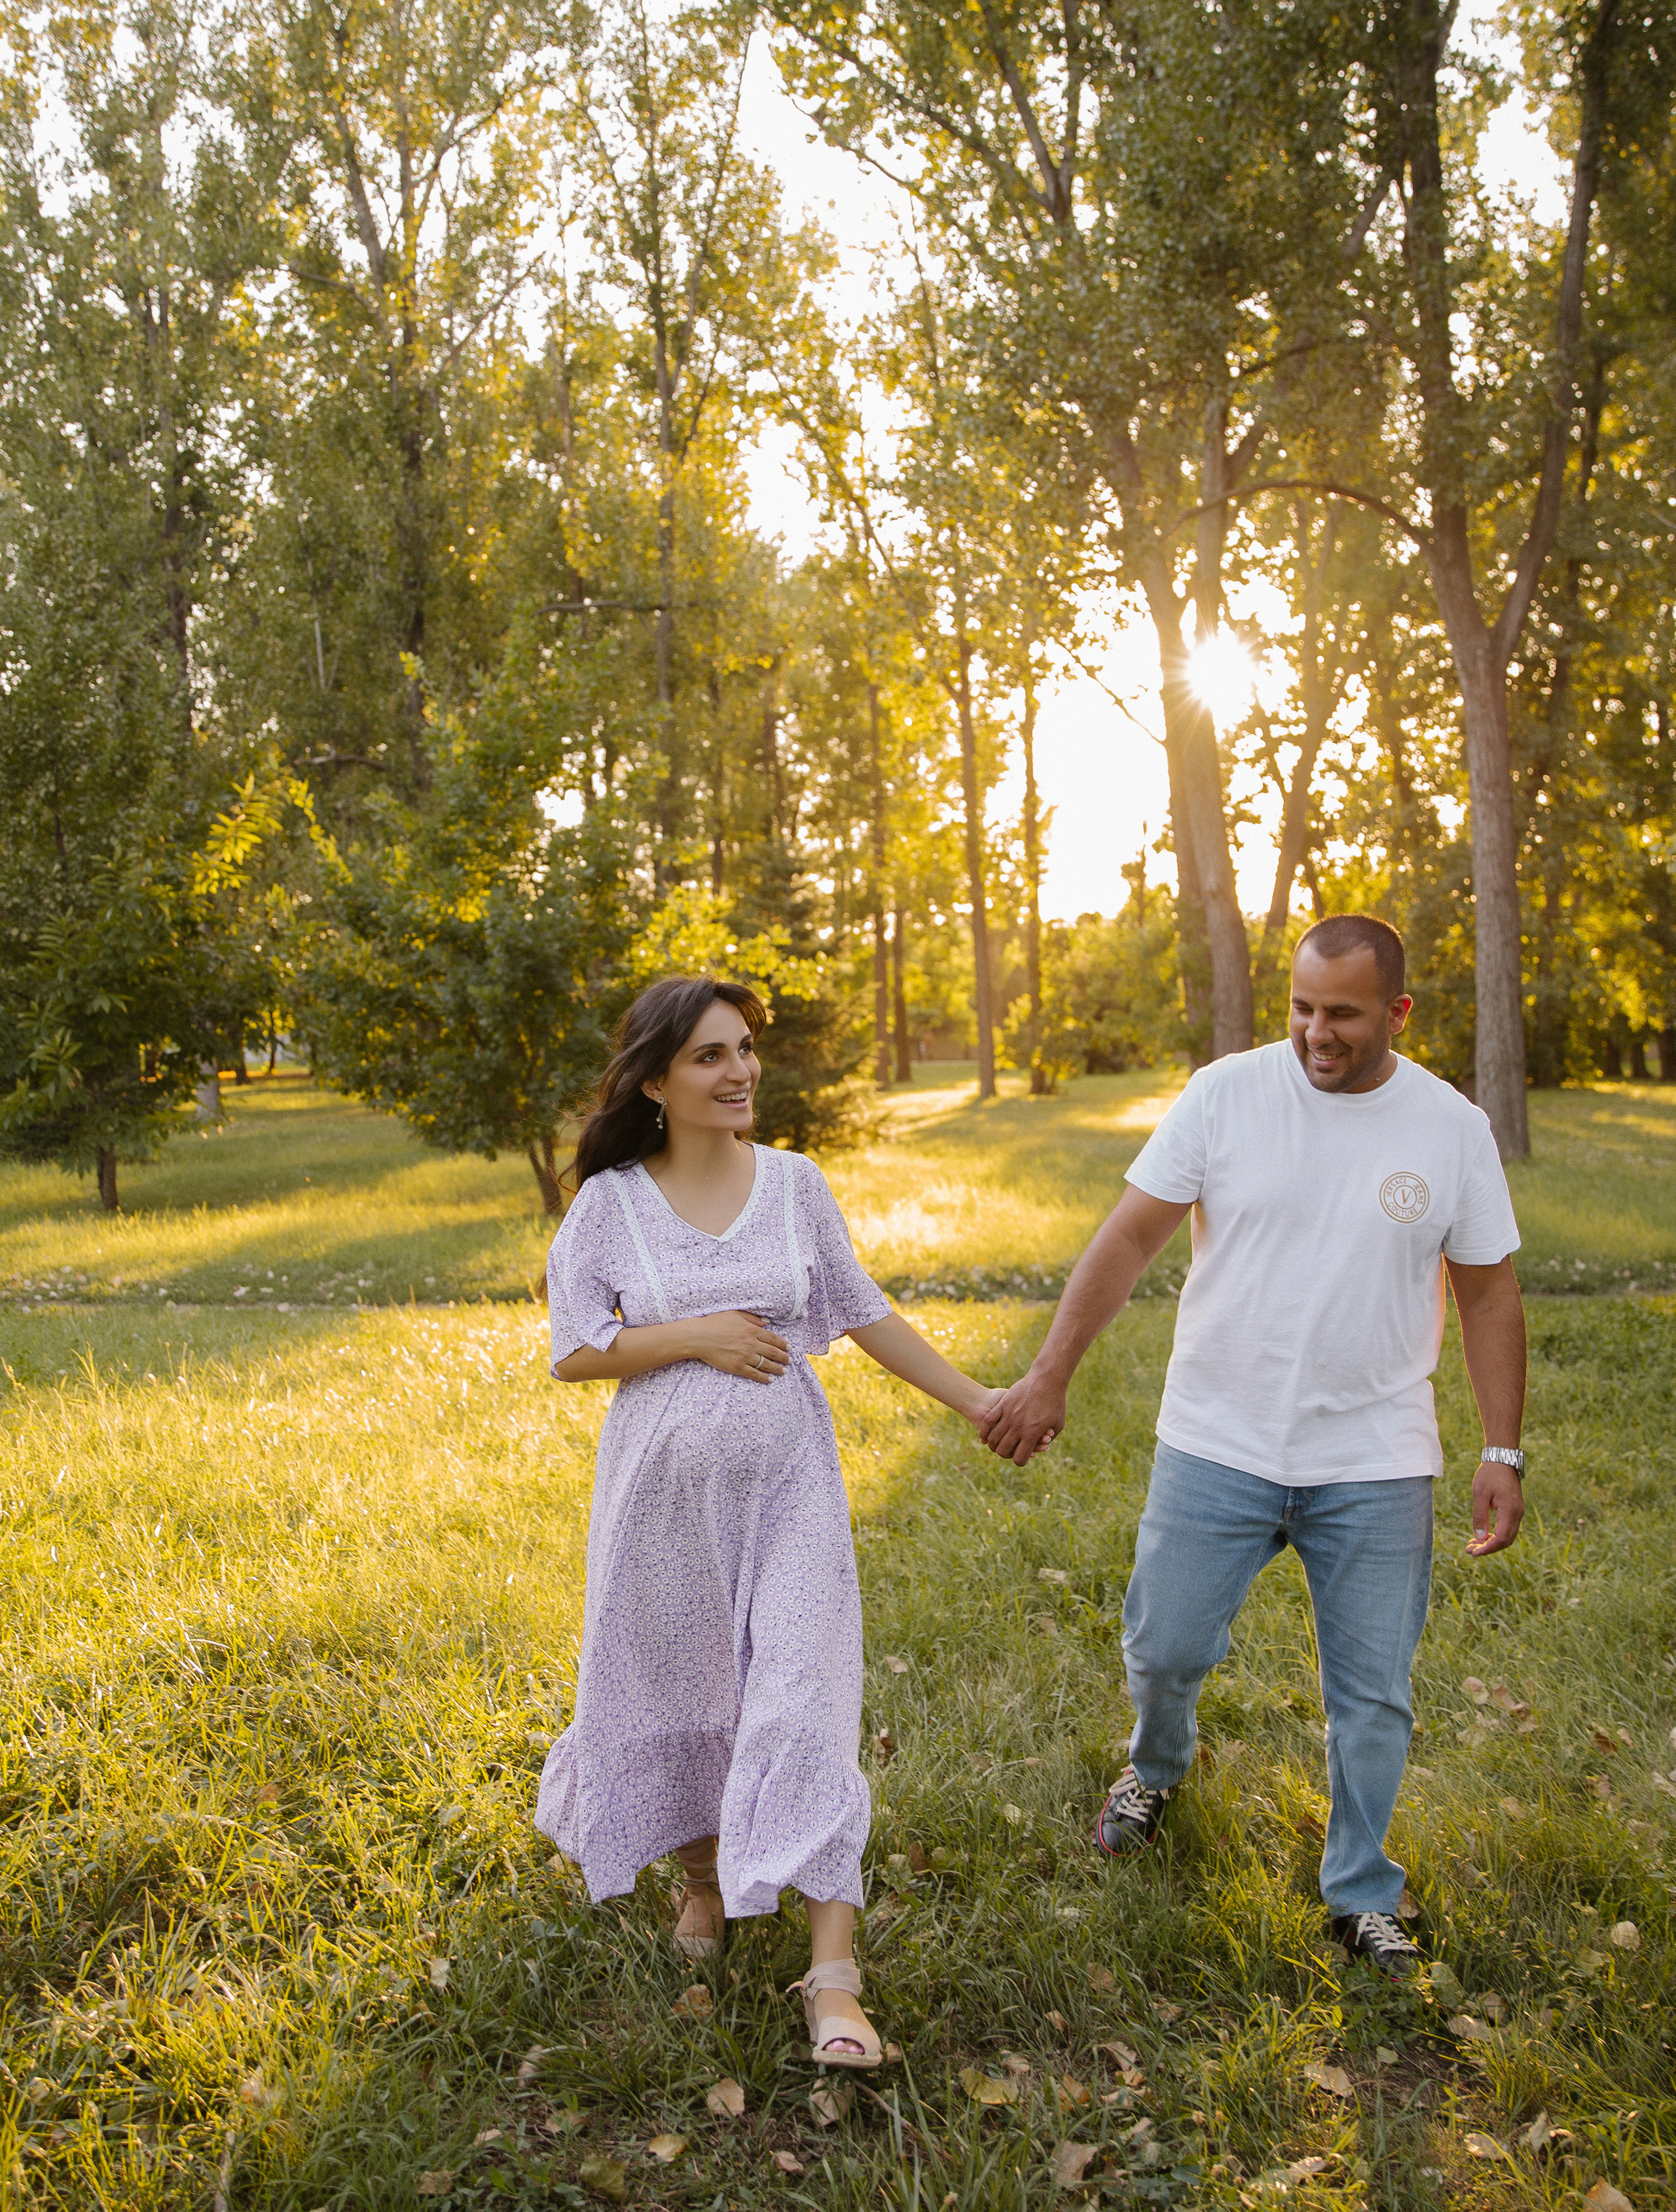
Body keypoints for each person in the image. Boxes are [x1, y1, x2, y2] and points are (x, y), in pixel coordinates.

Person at [979, 915, 1526, 1977]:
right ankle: (1157, 1763)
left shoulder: (1450, 1127)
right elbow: (1129, 1236)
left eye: (1344, 1015)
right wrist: (1049, 1373)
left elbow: (1490, 1289)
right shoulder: (1225, 1095)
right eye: (1303, 1008)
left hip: (1375, 1456)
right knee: (1165, 1644)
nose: (1316, 1033)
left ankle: (1361, 1889)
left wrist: (1501, 1449)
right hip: (1217, 1440)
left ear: (1398, 1013)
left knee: (1374, 1693)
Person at [535, 974, 1002, 2065]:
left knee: (805, 1690)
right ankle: (703, 1885)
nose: (740, 1070)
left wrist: (980, 1400)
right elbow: (573, 1347)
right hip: (660, 1494)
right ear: (656, 1079)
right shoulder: (611, 1202)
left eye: (745, 1049)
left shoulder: (794, 1184)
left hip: (790, 1480)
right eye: (710, 1055)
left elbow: (864, 1310)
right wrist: (694, 1332)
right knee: (683, 1680)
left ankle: (833, 1977)